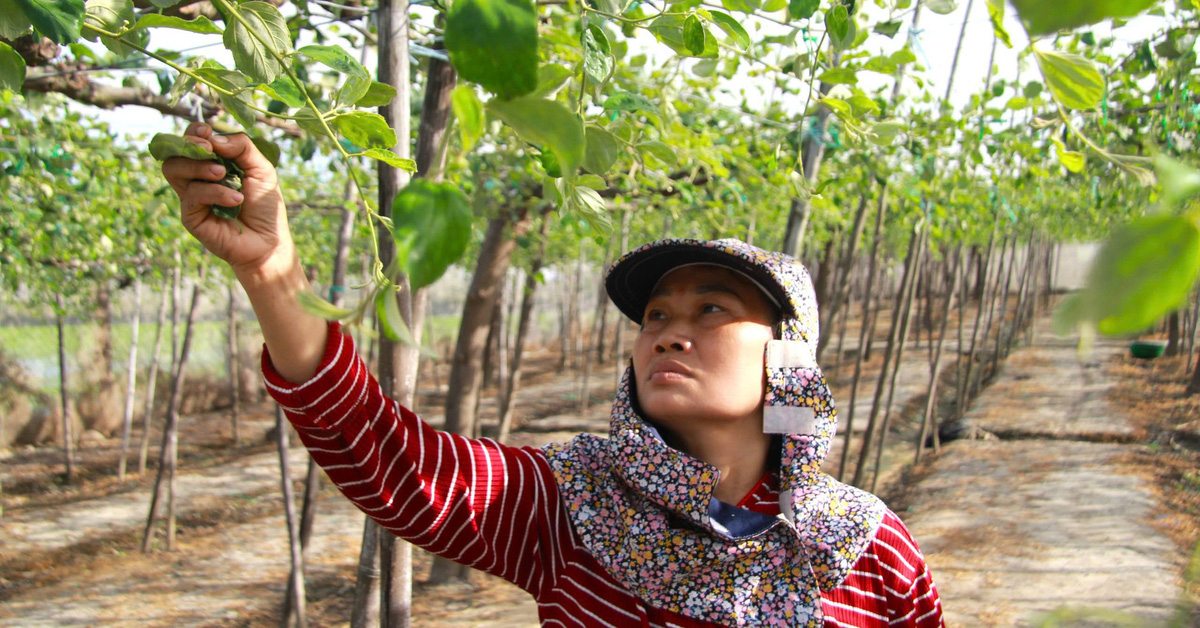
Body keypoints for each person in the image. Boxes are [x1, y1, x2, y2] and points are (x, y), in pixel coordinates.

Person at [164, 122, 944, 627]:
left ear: (789, 358)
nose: (669, 334)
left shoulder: (869, 550)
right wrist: (274, 273)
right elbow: (392, 464)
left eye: (711, 310)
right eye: (655, 318)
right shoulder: (573, 505)